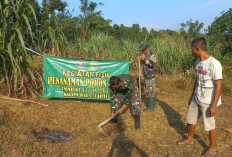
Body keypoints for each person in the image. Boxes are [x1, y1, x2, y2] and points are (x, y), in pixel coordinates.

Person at [177, 37, 222, 157]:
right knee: (189, 119)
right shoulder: (198, 63)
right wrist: (192, 96)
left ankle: (212, 149)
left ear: (197, 49)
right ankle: (190, 139)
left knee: (210, 125)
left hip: (208, 101)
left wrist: (214, 105)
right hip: (196, 98)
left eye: (192, 49)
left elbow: (218, 86)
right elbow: (197, 80)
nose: (192, 52)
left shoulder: (214, 64)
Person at [137, 41, 157, 112]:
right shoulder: (144, 54)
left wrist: (145, 60)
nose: (142, 51)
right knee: (150, 90)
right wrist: (140, 60)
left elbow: (153, 65)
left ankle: (151, 107)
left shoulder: (151, 54)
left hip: (150, 75)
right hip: (146, 75)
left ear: (146, 48)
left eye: (143, 49)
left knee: (149, 91)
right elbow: (144, 63)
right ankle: (153, 104)